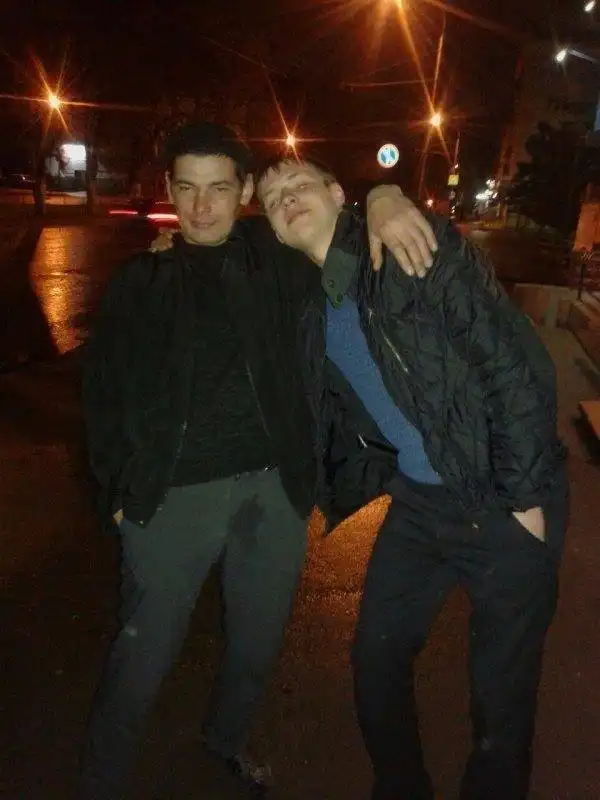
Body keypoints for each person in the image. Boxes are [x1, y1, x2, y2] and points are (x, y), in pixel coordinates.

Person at [79, 121, 436, 800]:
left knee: (256, 644)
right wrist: (117, 494)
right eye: (188, 188)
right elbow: (104, 393)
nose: (202, 206)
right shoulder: (141, 280)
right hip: (171, 498)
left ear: (245, 192)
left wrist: (384, 193)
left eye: (219, 188)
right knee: (142, 655)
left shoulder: (275, 259)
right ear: (169, 190)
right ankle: (102, 781)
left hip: (272, 495)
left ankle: (225, 742)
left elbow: (344, 241)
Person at [255, 155, 569, 800]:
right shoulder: (310, 303)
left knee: (501, 698)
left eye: (298, 184)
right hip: (420, 505)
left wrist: (526, 499)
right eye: (272, 199)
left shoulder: (403, 246)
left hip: (502, 495)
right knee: (376, 659)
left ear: (336, 192)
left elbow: (514, 366)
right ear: (274, 229)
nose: (286, 199)